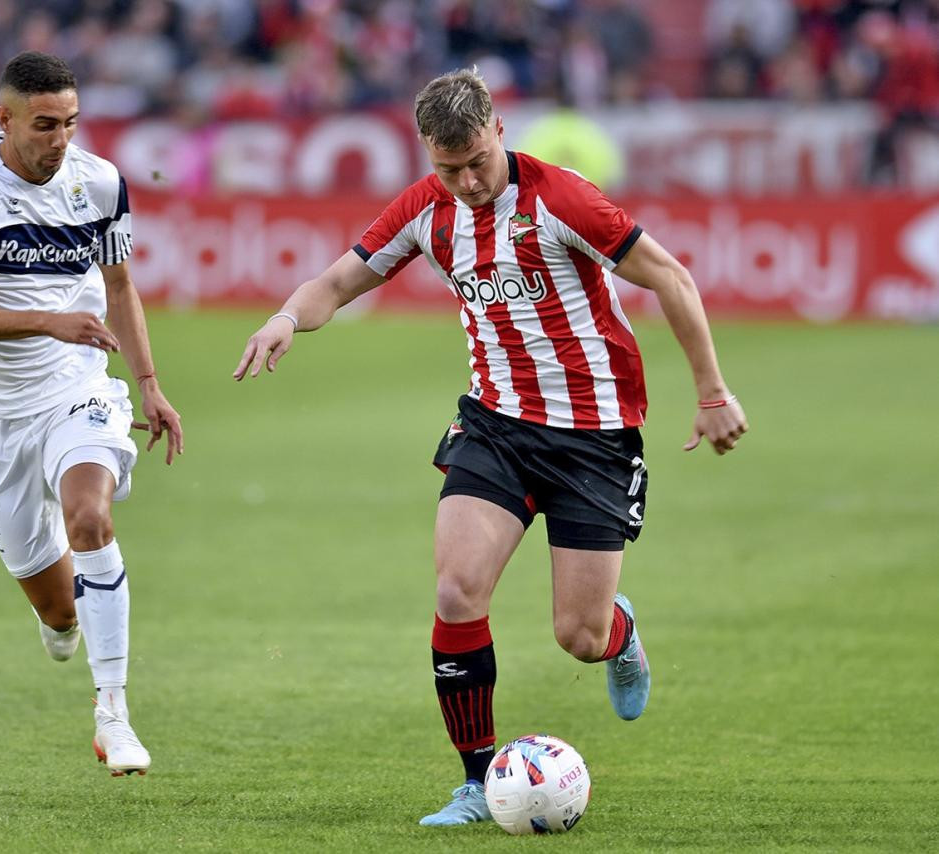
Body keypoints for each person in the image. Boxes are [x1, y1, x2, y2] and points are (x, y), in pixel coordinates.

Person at [234, 68, 747, 826]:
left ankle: (621, 635)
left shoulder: (562, 199)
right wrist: (286, 316)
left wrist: (711, 393)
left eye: (477, 160)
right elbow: (339, 281)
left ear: (499, 129)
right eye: (449, 169)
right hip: (495, 426)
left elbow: (670, 277)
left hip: (594, 437)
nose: (468, 181)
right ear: (428, 157)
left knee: (579, 635)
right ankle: (478, 782)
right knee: (456, 589)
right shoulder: (425, 209)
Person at [0, 51, 183, 776]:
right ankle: (59, 618)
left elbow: (120, 287)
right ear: (4, 119)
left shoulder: (99, 183)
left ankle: (114, 716)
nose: (59, 139)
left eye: (69, 123)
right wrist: (46, 321)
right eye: (43, 125)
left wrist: (150, 383)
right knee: (60, 609)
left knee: (91, 518)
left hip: (76, 384)